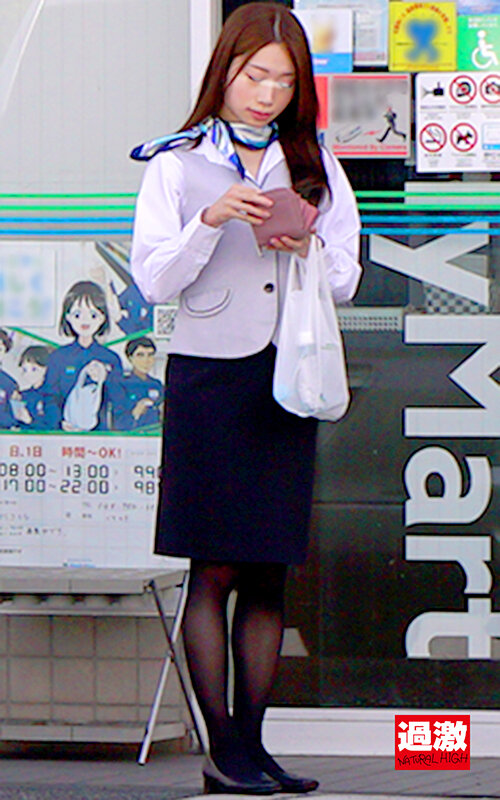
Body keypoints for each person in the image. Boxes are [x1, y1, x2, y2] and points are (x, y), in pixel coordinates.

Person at [130, 3, 361, 794]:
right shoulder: (177, 162)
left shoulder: (314, 161)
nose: (267, 94)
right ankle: (222, 749)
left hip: (285, 377)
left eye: (284, 82)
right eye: (254, 75)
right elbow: (152, 280)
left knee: (269, 570)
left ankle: (255, 750)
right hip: (210, 379)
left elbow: (346, 277)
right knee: (214, 568)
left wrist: (308, 244)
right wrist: (209, 219)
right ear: (224, 71)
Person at [44, 281, 122, 431]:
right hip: (64, 435)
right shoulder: (58, 357)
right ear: (68, 317)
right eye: (77, 315)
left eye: (93, 315)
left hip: (100, 437)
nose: (85, 321)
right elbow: (50, 397)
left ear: (102, 318)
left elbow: (119, 401)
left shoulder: (110, 358)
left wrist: (106, 377)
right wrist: (59, 423)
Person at [111, 336, 163, 431]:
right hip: (132, 436)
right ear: (130, 358)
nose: (146, 360)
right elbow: (118, 422)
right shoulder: (121, 384)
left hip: (154, 435)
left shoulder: (157, 384)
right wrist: (135, 413)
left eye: (150, 355)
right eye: (140, 355)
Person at [12, 345, 51, 429]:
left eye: (34, 369)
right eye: (25, 370)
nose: (28, 374)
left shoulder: (52, 395)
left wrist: (30, 421)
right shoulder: (23, 395)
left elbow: (53, 427)